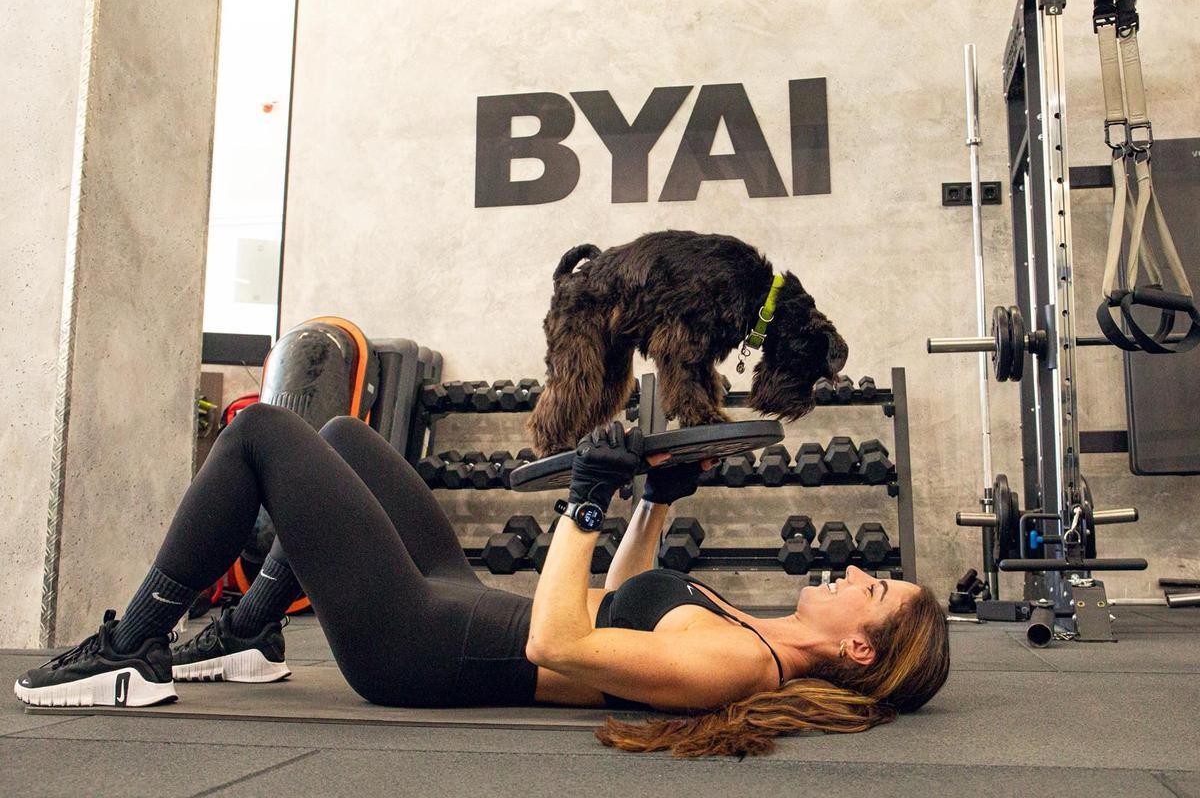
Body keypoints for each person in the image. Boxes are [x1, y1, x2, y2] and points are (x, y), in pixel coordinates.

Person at [13, 404, 949, 757]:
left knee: (260, 435)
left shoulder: (742, 671)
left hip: (424, 644)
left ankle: (133, 646)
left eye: (874, 590)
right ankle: (250, 633)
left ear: (860, 647)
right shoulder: (751, 631)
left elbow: (561, 641)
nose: (859, 570)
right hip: (460, 598)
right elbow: (617, 606)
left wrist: (583, 503)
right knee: (341, 440)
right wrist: (652, 503)